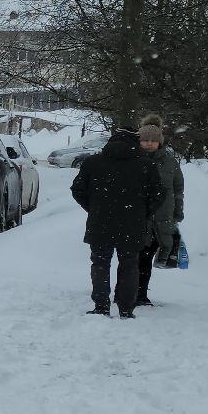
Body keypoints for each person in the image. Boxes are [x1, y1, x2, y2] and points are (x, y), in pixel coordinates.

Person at [71, 127, 165, 319]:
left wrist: (94, 207)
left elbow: (77, 189)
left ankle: (101, 306)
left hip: (100, 221)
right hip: (132, 222)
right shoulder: (146, 165)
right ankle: (126, 309)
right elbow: (158, 194)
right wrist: (142, 212)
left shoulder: (92, 162)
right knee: (130, 264)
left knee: (100, 263)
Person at [137, 117, 185, 302]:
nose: (149, 144)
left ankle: (141, 295)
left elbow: (178, 189)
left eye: (153, 140)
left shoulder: (170, 163)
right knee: (134, 259)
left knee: (147, 259)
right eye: (145, 140)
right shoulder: (133, 160)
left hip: (162, 219)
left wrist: (177, 213)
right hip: (138, 218)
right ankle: (126, 293)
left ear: (160, 142)